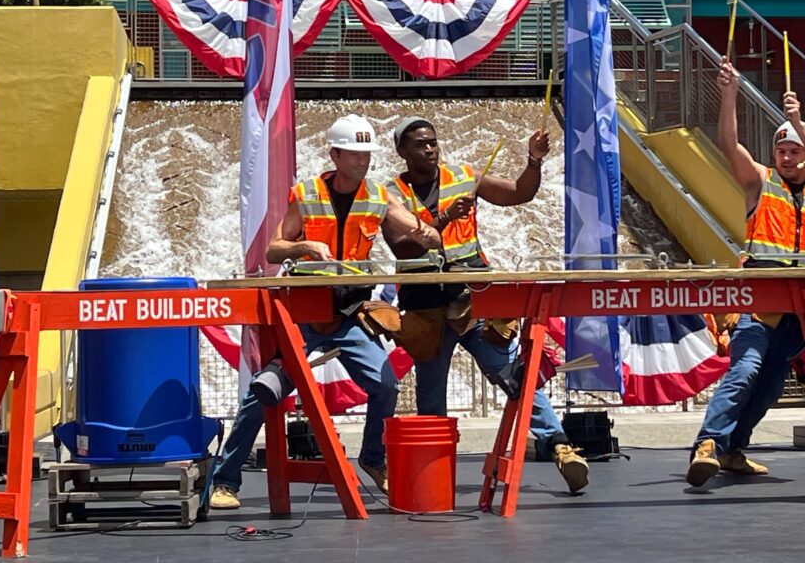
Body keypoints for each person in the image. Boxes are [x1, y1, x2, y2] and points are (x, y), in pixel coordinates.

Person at [209, 114, 440, 510]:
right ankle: (225, 481)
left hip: (351, 312)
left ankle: (372, 457)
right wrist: (305, 247)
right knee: (262, 393)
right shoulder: (307, 193)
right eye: (353, 154)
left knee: (385, 386)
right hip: (306, 311)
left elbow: (417, 228)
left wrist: (430, 234)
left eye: (366, 154)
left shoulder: (378, 197)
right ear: (334, 154)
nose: (362, 161)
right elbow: (273, 249)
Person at [383, 116, 590, 494]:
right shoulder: (391, 196)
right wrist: (445, 217)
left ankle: (560, 446)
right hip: (426, 310)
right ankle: (433, 475)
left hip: (472, 302)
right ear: (402, 151)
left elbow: (517, 193)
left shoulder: (464, 177)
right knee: (431, 396)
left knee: (512, 374)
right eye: (419, 144)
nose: (430, 149)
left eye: (433, 142)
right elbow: (403, 246)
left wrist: (533, 161)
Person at [686, 58, 805, 488]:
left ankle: (734, 448)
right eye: (782, 150)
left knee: (772, 385)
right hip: (758, 299)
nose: (787, 157)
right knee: (746, 369)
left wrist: (798, 122)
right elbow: (729, 144)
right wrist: (731, 93)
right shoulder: (760, 182)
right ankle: (708, 445)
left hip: (801, 307)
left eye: (795, 152)